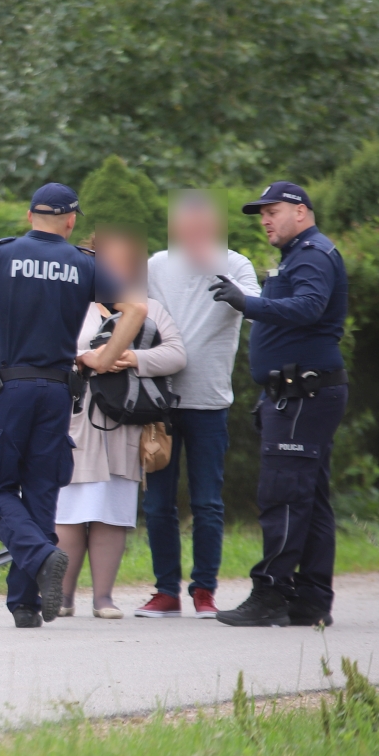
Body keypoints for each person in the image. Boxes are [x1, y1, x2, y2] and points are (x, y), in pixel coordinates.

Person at [0, 183, 147, 628]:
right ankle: (26, 606)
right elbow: (135, 309)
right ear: (71, 221)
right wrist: (103, 358)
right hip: (58, 393)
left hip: (10, 390)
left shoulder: (0, 255)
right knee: (40, 493)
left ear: (30, 215)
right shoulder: (84, 263)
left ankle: (40, 557)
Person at [208, 182, 347, 627]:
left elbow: (308, 308)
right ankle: (310, 600)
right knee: (310, 499)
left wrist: (247, 303)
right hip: (299, 393)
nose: (265, 220)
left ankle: (270, 594)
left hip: (303, 395)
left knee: (284, 495)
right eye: (261, 214)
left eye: (273, 211)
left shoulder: (311, 254)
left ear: (302, 212)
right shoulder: (301, 254)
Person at [136, 193, 260, 619]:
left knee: (207, 502)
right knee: (157, 504)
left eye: (200, 226)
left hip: (209, 402)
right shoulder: (154, 266)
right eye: (184, 226)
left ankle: (204, 590)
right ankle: (165, 591)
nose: (192, 234)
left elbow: (257, 307)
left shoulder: (236, 264)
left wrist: (226, 280)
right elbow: (133, 313)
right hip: (159, 403)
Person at [58, 229, 185, 618]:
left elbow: (177, 355)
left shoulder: (149, 307)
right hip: (77, 420)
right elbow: (48, 352)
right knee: (70, 511)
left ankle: (104, 599)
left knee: (112, 510)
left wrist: (131, 359)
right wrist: (88, 358)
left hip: (127, 424)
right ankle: (61, 598)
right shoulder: (69, 303)